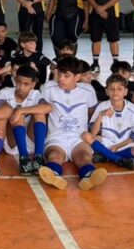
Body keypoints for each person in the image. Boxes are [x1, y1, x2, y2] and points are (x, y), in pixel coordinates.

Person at [36, 56, 107, 191]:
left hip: (78, 137)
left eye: (66, 76)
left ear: (77, 77)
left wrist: (94, 135)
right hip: (56, 137)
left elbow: (91, 114)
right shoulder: (48, 87)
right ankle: (54, 176)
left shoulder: (88, 90)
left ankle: (88, 177)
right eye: (60, 74)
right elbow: (42, 111)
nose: (61, 78)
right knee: (54, 156)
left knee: (84, 157)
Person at [83, 73, 134, 169]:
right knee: (85, 136)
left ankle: (107, 156)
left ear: (125, 91)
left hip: (125, 143)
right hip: (107, 142)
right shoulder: (102, 106)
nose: (115, 92)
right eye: (111, 89)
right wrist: (101, 115)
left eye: (119, 89)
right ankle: (118, 159)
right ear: (106, 91)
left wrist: (117, 146)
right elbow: (93, 133)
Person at [0, 65, 48, 175]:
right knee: (15, 113)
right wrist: (18, 112)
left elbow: (48, 107)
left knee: (39, 111)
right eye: (19, 82)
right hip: (13, 144)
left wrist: (21, 110)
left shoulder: (35, 94)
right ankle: (24, 159)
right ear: (15, 79)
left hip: (33, 143)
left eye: (26, 84)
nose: (21, 87)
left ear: (33, 84)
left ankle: (38, 157)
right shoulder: (5, 93)